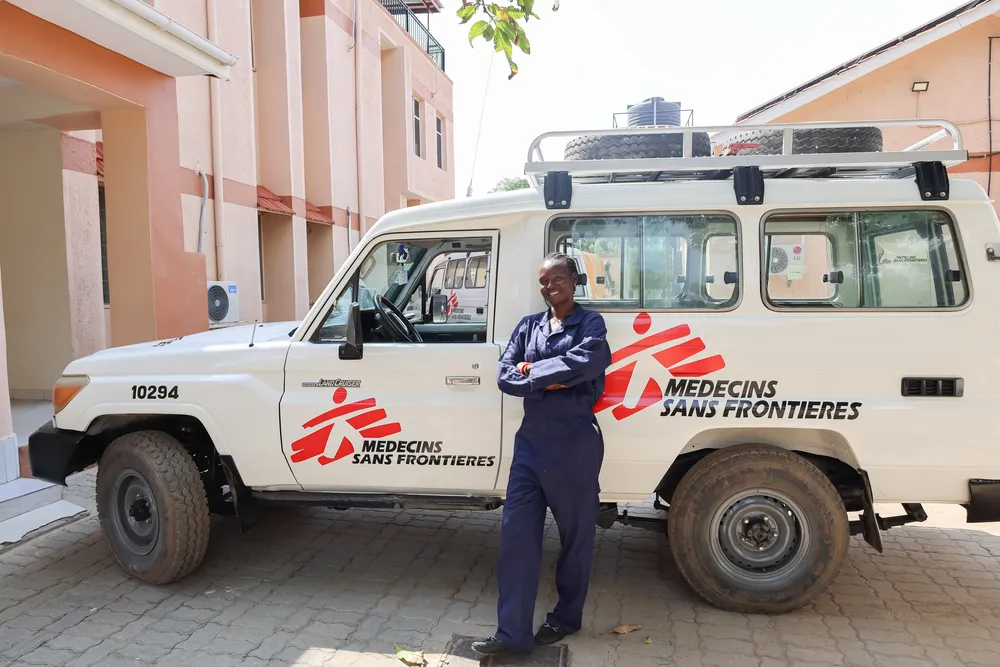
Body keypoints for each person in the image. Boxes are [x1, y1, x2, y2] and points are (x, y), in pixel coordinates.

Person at [473, 252, 612, 656]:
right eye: (544, 281)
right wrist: (552, 379)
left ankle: (566, 617)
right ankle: (512, 634)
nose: (550, 287)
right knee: (517, 538)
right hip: (530, 446)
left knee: (575, 539)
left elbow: (589, 361)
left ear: (574, 281)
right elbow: (504, 375)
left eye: (557, 279)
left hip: (574, 445)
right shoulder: (529, 325)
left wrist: (531, 373)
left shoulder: (591, 323)